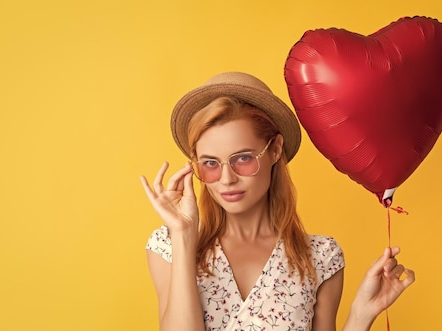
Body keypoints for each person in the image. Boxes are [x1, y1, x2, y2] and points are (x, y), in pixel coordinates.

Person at [141, 72, 415, 331]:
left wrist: (360, 315)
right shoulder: (168, 247)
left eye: (243, 158)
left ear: (274, 150)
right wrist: (184, 236)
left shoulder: (321, 257)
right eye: (210, 163)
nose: (226, 179)